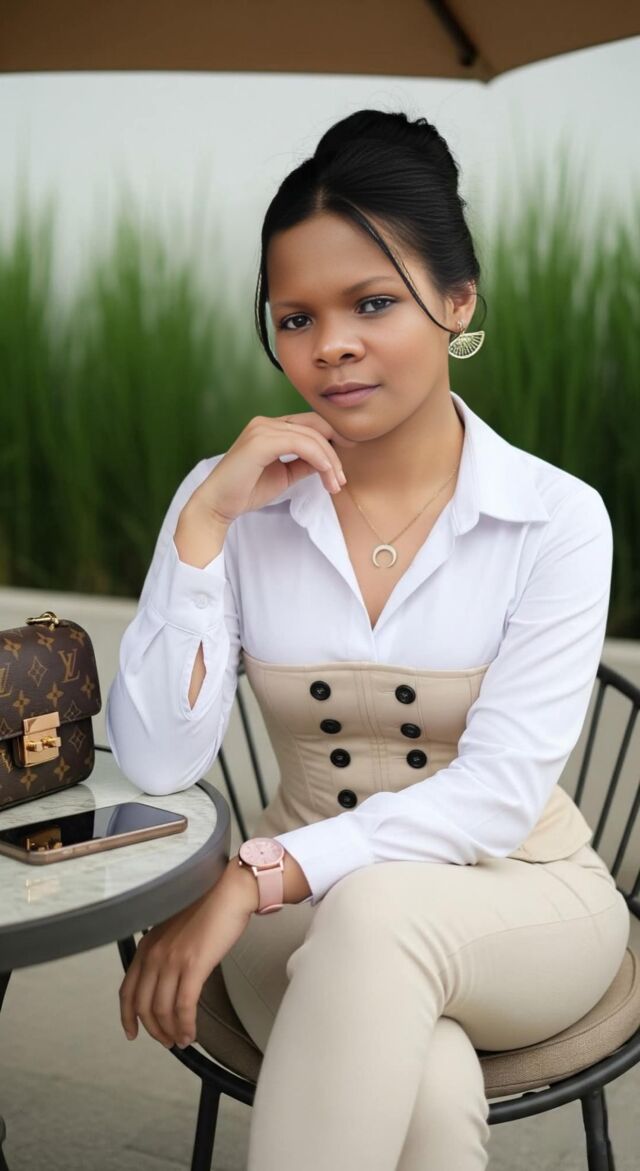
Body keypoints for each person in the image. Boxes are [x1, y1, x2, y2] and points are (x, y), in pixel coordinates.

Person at [106, 109, 631, 1171]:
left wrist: (252, 876)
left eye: (373, 302)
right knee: (425, 1086)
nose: (330, 343)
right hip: (299, 928)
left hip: (521, 899)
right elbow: (157, 763)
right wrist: (204, 524)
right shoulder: (231, 499)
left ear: (458, 300)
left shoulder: (555, 518)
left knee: (379, 914)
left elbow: (496, 795)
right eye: (295, 318)